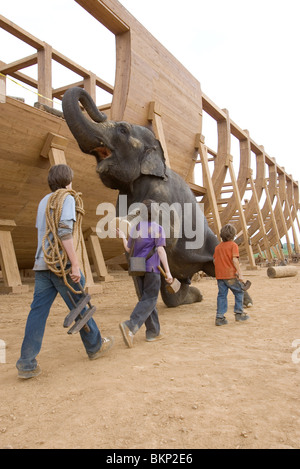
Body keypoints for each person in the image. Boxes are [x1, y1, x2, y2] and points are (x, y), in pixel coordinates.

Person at [16, 164, 114, 379]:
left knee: (37, 312)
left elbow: (42, 232)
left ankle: (26, 363)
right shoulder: (67, 198)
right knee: (80, 305)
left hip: (42, 264)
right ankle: (95, 346)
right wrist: (75, 264)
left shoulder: (43, 201)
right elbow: (64, 231)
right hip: (62, 266)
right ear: (68, 180)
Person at [117, 199, 173, 348]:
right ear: (155, 213)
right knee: (150, 299)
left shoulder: (135, 228)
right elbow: (160, 250)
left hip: (137, 268)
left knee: (146, 300)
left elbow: (129, 250)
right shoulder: (158, 228)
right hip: (152, 268)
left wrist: (123, 236)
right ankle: (131, 325)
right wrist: (168, 272)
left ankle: (153, 332)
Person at [213, 224, 250, 326]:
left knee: (221, 295)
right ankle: (239, 313)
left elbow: (215, 261)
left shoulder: (217, 247)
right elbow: (235, 260)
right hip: (231, 275)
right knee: (239, 292)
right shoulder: (233, 245)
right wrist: (240, 273)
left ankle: (219, 317)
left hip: (220, 276)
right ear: (233, 235)